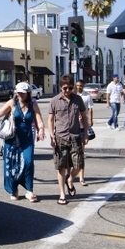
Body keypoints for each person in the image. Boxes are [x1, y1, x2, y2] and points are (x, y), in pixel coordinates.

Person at [0, 81, 45, 202]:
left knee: (29, 162)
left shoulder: (33, 104)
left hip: (27, 139)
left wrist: (41, 130)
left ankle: (29, 191)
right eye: (18, 92)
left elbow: (39, 120)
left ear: (28, 93)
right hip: (12, 140)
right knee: (12, 166)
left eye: (22, 93)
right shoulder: (12, 103)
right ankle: (14, 189)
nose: (20, 95)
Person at [48, 75, 89, 205]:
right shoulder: (54, 101)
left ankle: (70, 179)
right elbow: (50, 120)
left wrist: (86, 133)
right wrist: (52, 136)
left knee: (79, 164)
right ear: (61, 87)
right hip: (60, 137)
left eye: (70, 88)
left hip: (75, 136)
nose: (67, 90)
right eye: (65, 88)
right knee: (61, 167)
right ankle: (62, 194)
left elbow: (84, 117)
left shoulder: (78, 100)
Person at [75, 79, 93, 186]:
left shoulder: (87, 96)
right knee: (72, 154)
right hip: (72, 128)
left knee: (81, 153)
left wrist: (90, 119)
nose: (79, 87)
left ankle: (81, 177)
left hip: (82, 127)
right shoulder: (72, 96)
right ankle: (71, 175)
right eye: (77, 85)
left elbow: (90, 108)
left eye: (80, 86)